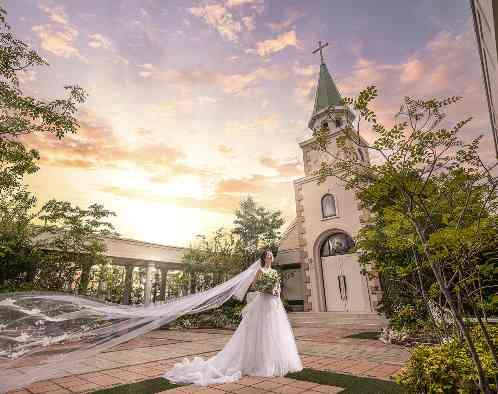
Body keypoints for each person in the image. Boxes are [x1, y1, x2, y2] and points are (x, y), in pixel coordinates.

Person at [163, 249, 303, 385]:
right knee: (260, 330)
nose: (270, 257)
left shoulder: (274, 272)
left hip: (273, 302)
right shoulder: (260, 270)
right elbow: (255, 286)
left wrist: (276, 290)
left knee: (274, 331)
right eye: (267, 255)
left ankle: (273, 360)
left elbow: (278, 286)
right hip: (262, 302)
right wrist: (266, 288)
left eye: (271, 255)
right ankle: (257, 362)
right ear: (264, 258)